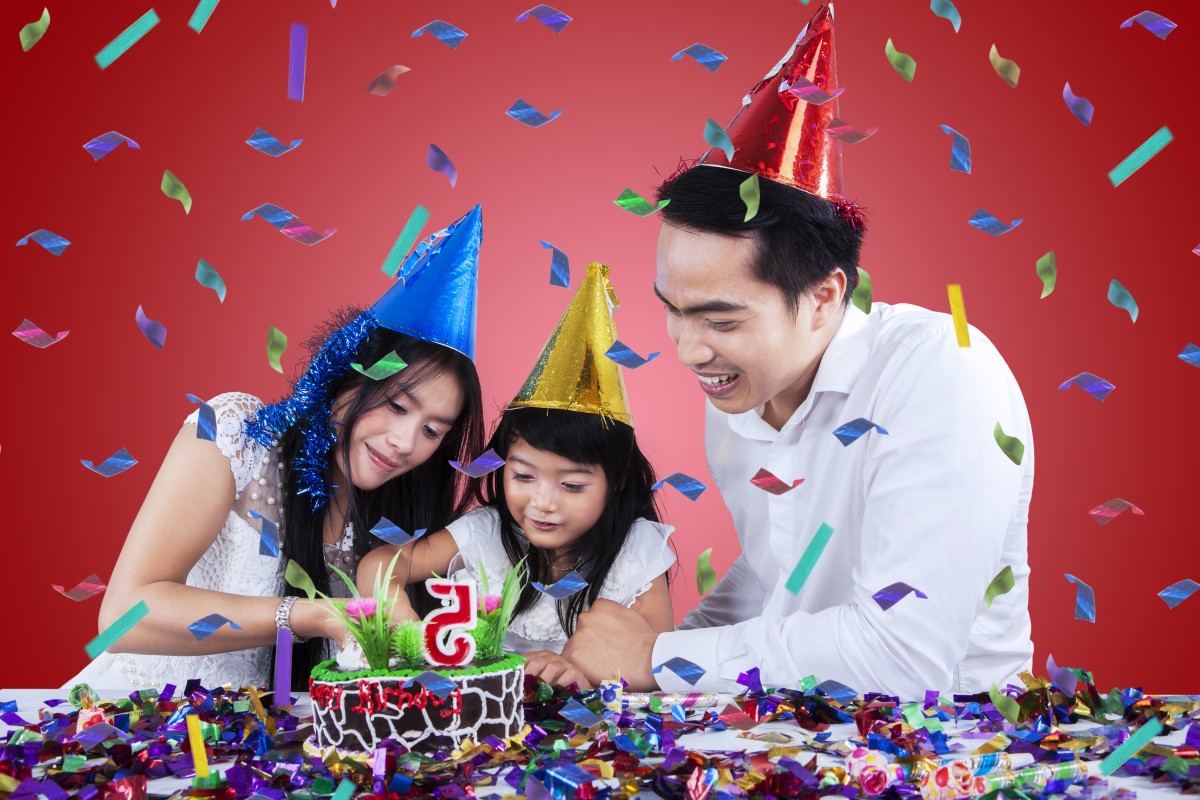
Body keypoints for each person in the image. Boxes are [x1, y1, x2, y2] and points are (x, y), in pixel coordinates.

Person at [561, 4, 1034, 699]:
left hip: (958, 741)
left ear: (822, 296)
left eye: (720, 320)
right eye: (672, 311)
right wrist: (640, 657)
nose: (689, 351)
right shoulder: (741, 390)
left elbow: (904, 655)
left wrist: (657, 657)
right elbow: (778, 569)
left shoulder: (943, 370)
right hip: (802, 730)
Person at [72, 207, 488, 691]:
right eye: (396, 405)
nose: (405, 443)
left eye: (433, 431)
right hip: (145, 727)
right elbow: (122, 619)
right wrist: (306, 615)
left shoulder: (404, 527)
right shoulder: (236, 434)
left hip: (272, 752)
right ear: (345, 373)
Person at [359, 263, 675, 688]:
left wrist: (579, 673)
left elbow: (658, 665)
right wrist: (415, 639)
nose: (542, 502)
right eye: (523, 476)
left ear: (616, 480)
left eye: (572, 485)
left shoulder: (637, 551)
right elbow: (379, 567)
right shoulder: (486, 532)